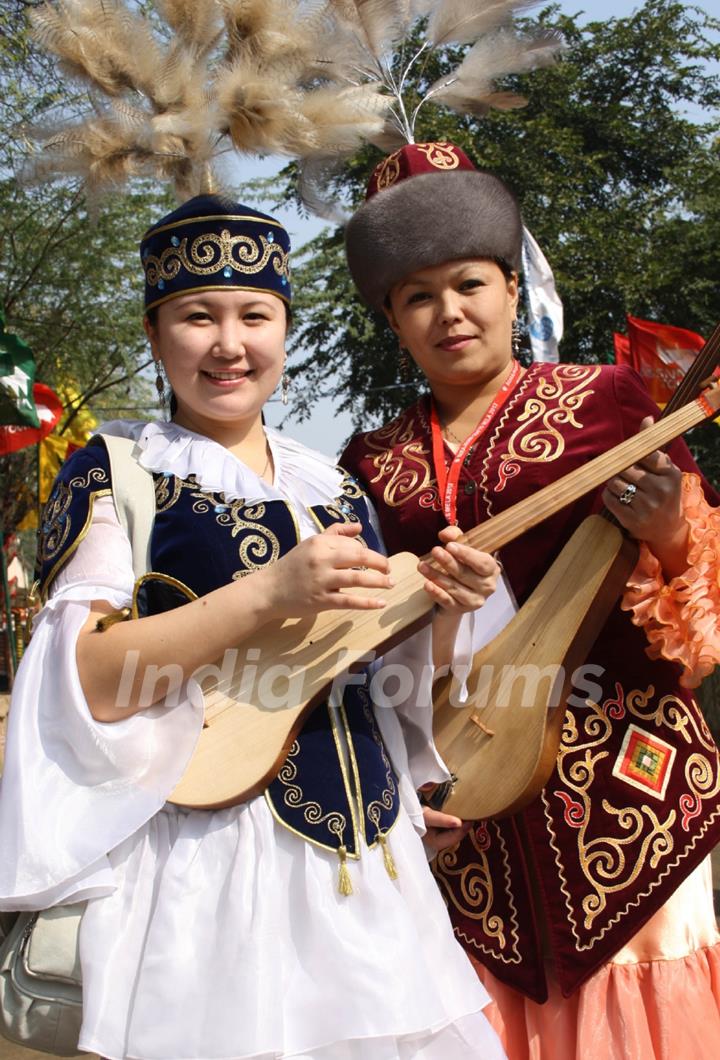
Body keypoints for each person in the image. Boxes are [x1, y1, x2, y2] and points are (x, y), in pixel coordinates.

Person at [0, 195, 509, 1060]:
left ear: (285, 328)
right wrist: (268, 593)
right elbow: (86, 681)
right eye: (198, 316)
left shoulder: (337, 488)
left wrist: (446, 615)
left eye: (255, 315)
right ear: (157, 336)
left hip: (372, 867)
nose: (230, 344)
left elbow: (382, 679)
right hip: (208, 860)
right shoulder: (116, 472)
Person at [341, 141, 720, 1059]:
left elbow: (702, 603)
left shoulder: (607, 401)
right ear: (394, 320)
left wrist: (671, 529)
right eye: (418, 296)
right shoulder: (367, 461)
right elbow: (356, 642)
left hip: (626, 795)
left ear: (513, 287)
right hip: (464, 811)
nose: (450, 313)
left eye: (469, 283)